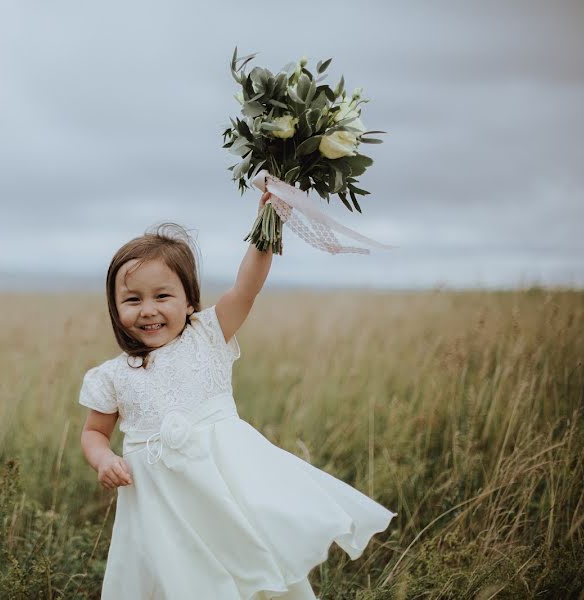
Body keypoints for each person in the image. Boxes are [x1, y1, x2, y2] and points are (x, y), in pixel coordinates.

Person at [78, 191, 397, 600]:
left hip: (227, 489)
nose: (148, 310)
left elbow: (247, 287)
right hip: (161, 508)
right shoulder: (111, 376)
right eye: (132, 299)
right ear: (115, 307)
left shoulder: (209, 335)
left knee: (248, 569)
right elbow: (94, 433)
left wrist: (268, 223)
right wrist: (103, 459)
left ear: (189, 300)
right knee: (177, 578)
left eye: (162, 296)